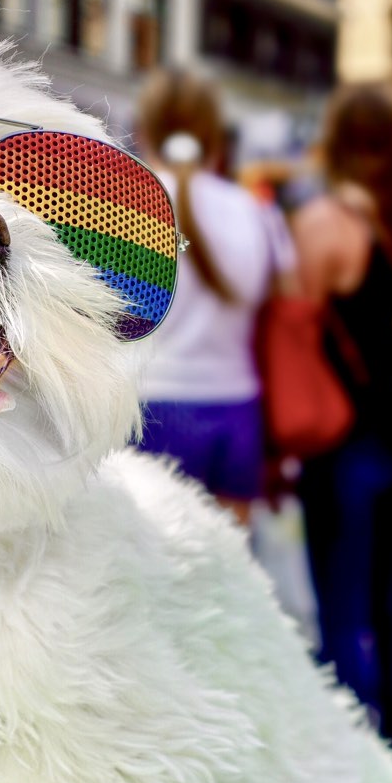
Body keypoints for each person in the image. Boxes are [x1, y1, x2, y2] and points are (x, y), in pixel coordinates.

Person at [290, 87, 392, 758]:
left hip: (340, 442)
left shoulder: (324, 224)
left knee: (342, 613)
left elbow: (295, 325)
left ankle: (356, 766)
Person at [135, 69, 295, 522]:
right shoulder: (259, 213)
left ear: (145, 131)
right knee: (229, 581)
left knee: (142, 581)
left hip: (147, 409)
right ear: (214, 136)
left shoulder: (120, 209)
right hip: (237, 409)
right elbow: (284, 311)